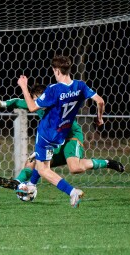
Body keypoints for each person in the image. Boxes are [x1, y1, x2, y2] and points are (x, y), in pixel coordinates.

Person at [0, 84, 123, 198]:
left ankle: (108, 163)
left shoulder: (56, 107)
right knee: (33, 163)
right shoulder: (37, 105)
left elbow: (60, 132)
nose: (38, 103)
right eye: (35, 99)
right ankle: (18, 182)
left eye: (40, 99)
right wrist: (0, 103)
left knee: (74, 167)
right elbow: (18, 102)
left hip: (71, 137)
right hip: (55, 140)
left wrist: (43, 150)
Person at [12, 54, 104, 207]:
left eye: (54, 71)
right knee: (40, 167)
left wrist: (23, 86)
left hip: (46, 134)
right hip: (61, 135)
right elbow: (100, 101)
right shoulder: (80, 86)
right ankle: (31, 186)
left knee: (42, 169)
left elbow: (32, 107)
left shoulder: (54, 89)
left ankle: (72, 191)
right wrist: (99, 118)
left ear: (57, 71)